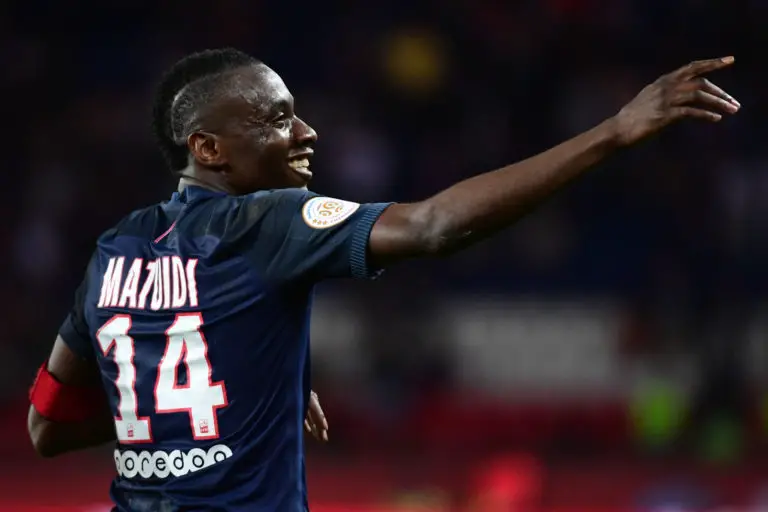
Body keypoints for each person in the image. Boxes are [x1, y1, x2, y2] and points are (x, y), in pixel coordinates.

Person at [27, 48, 739, 511]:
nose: (306, 132)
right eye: (278, 120)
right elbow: (434, 225)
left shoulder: (114, 250)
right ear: (209, 148)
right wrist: (614, 131)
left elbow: (47, 428)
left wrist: (231, 396)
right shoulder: (267, 223)